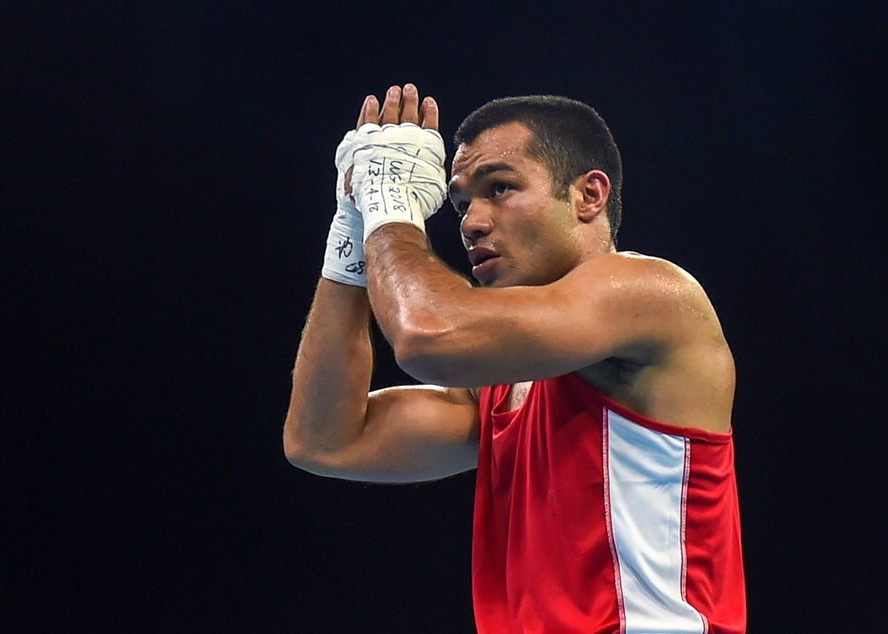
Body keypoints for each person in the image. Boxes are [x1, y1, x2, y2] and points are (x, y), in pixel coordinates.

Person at [284, 83, 746, 633]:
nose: (470, 222)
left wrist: (390, 210)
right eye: (460, 204)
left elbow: (427, 338)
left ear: (588, 195)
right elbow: (325, 440)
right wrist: (352, 229)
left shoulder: (650, 294)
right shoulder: (499, 385)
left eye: (499, 188)